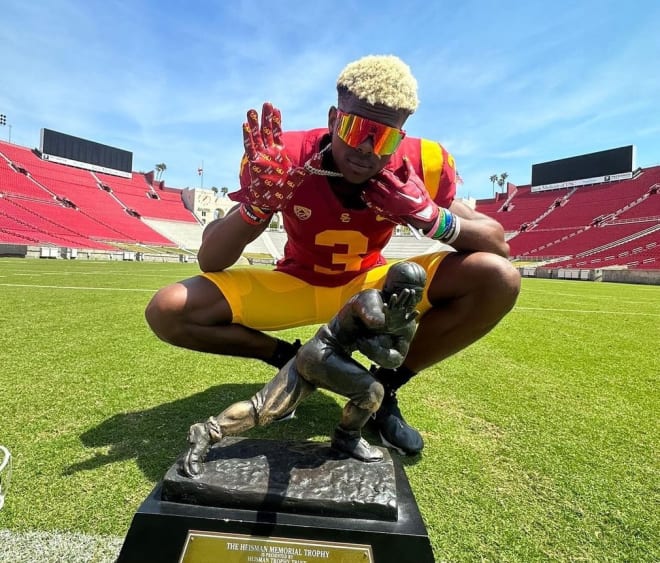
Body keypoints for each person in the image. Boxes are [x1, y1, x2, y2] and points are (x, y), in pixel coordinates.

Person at [145, 54, 521, 457]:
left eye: (384, 137)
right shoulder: (284, 154)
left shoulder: (421, 165)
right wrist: (258, 207)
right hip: (295, 281)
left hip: (368, 286)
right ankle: (288, 359)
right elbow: (211, 258)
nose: (365, 149)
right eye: (357, 127)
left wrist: (431, 218)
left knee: (499, 277)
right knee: (167, 310)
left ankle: (386, 388)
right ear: (333, 117)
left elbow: (498, 246)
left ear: (402, 135)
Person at [181, 261, 426, 477]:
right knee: (373, 392)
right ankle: (347, 437)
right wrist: (389, 328)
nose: (407, 296)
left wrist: (384, 344)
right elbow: (372, 319)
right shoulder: (369, 298)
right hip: (321, 353)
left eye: (414, 292)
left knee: (263, 408)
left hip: (320, 357)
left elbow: (394, 360)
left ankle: (207, 431)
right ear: (388, 285)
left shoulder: (406, 323)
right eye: (401, 289)